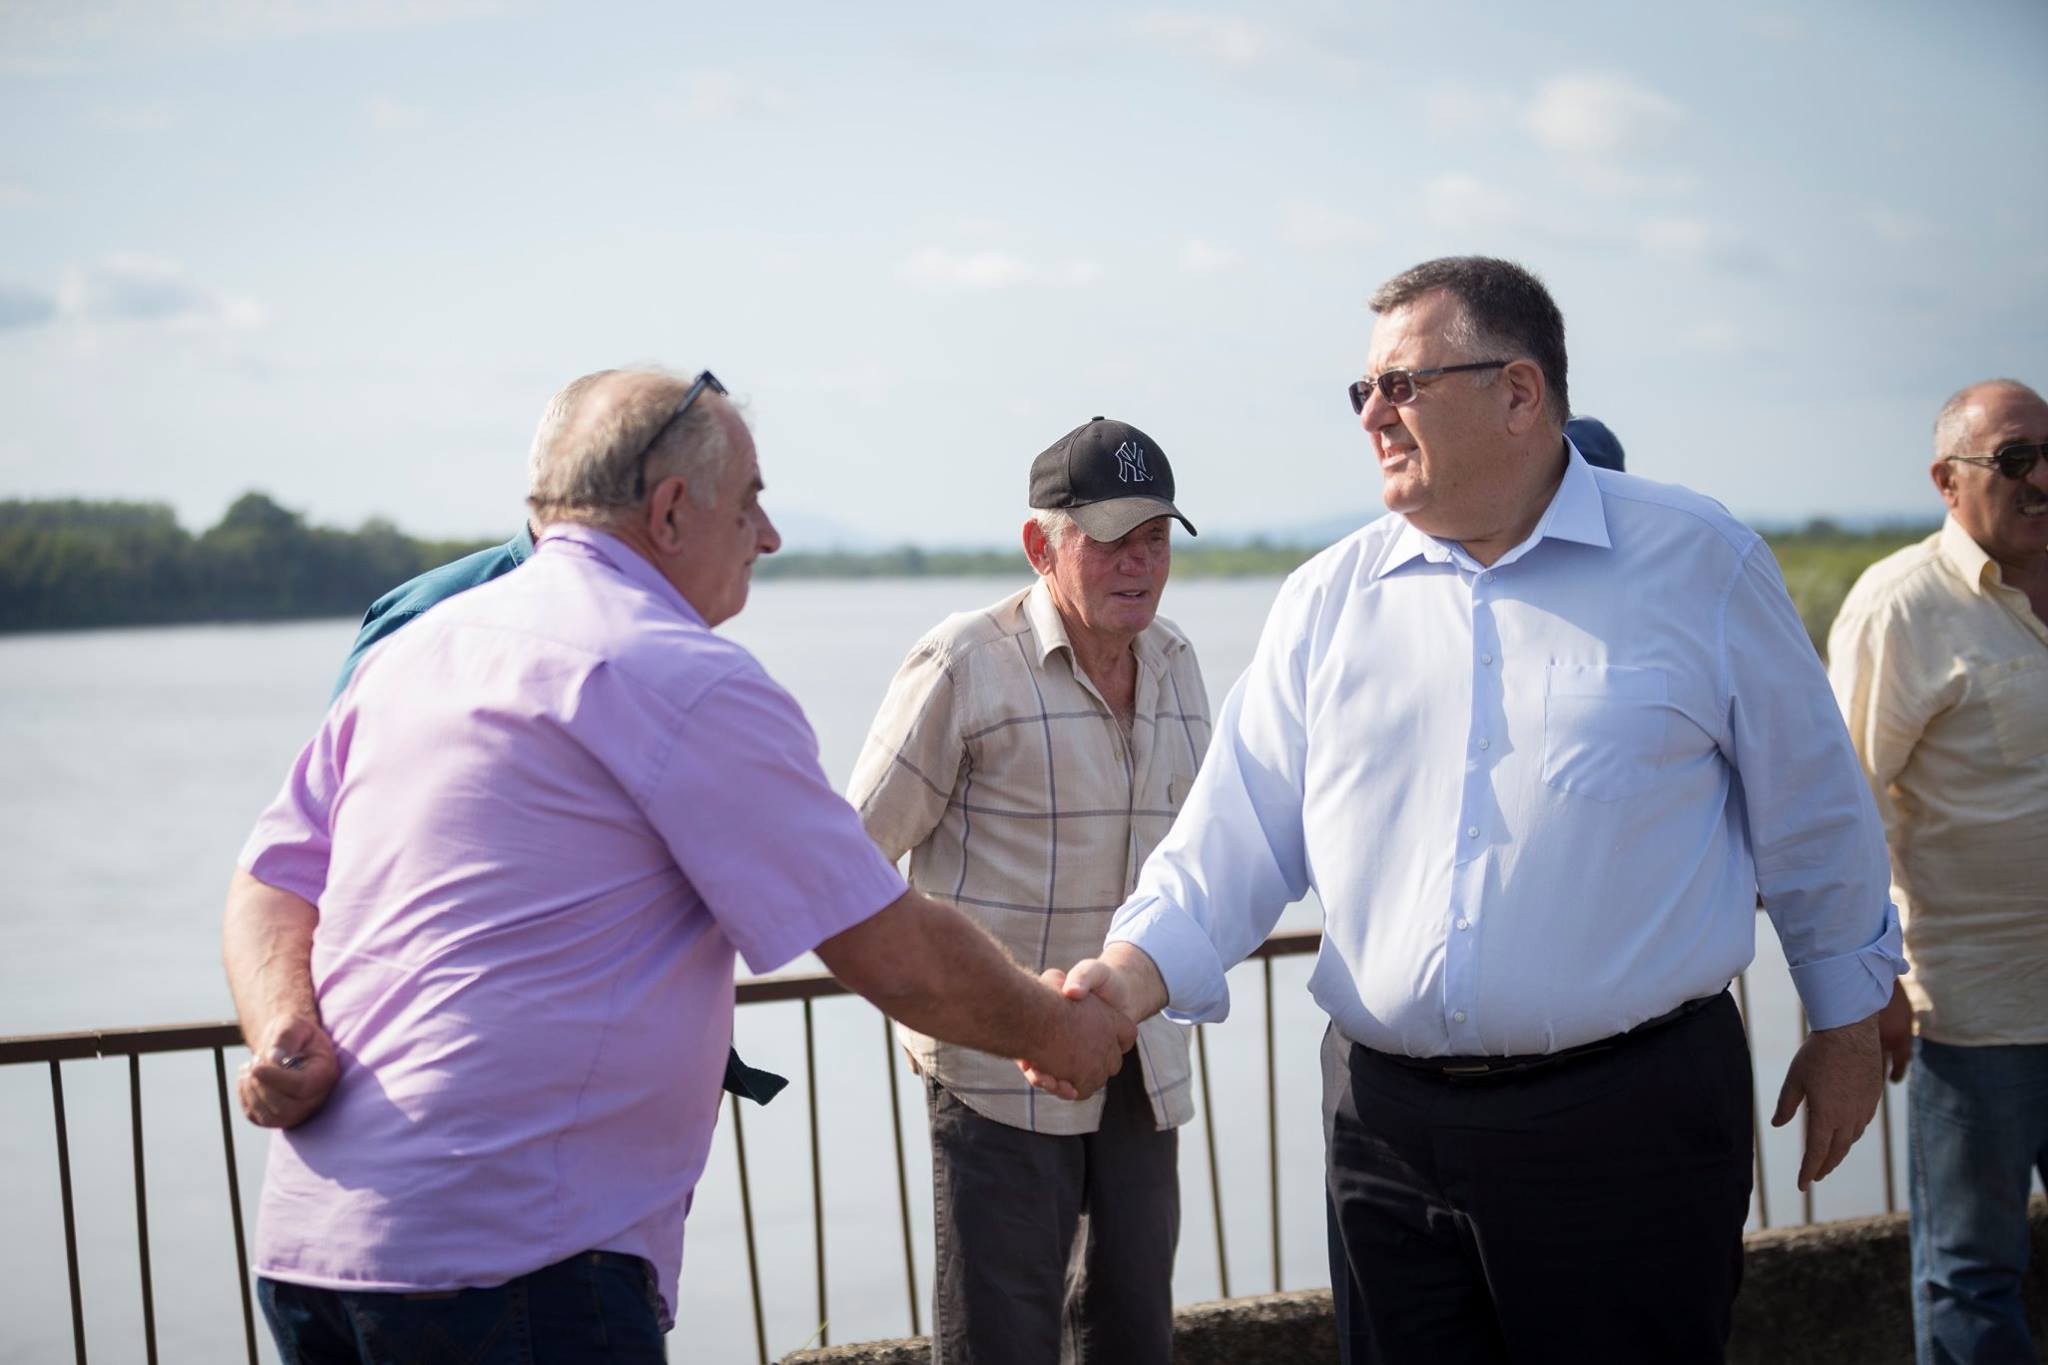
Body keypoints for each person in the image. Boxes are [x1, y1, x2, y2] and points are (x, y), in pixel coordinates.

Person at [1036, 256, 1905, 1364]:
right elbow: (1229, 842)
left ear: (1518, 392)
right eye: (1363, 390)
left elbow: (1815, 816)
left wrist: (1843, 1024)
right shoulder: (1327, 600)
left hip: (1627, 1127)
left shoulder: (1700, 562)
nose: (1372, 416)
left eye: (1401, 385)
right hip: (1383, 1133)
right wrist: (1118, 984)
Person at [223, 367, 1135, 1363]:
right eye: (749, 502)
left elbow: (270, 878)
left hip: (315, 1250)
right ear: (667, 512)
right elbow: (889, 947)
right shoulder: (677, 676)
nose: (769, 536)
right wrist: (1059, 1031)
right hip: (515, 1259)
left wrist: (283, 1029)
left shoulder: (421, 647)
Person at [848, 417, 1210, 1365]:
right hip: (996, 1077)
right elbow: (848, 858)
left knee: (1134, 1338)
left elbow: (1204, 857)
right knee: (1000, 1348)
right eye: (1112, 539)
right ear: (1040, 545)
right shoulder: (964, 662)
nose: (1139, 564)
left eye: (1156, 539)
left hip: (1142, 1068)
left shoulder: (1177, 663)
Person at [333, 514, 785, 1107]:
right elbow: (335, 845)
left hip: (638, 1081)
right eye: (742, 500)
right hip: (472, 1071)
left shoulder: (658, 633)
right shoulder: (428, 618)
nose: (769, 536)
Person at [1826, 378, 2048, 1365]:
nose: (2040, 478)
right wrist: (1871, 981)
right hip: (1974, 1016)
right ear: (1946, 482)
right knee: (1971, 1274)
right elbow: (1841, 807)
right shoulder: (1899, 606)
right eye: (2013, 459)